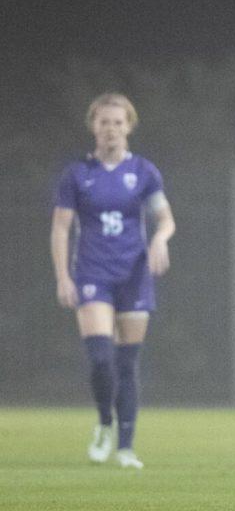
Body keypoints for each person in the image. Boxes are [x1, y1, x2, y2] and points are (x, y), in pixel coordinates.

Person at [50, 93, 176, 470]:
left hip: (133, 276)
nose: (111, 129)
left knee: (127, 364)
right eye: (104, 122)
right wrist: (62, 276)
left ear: (129, 127)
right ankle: (104, 424)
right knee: (102, 359)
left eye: (118, 122)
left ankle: (125, 447)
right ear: (93, 126)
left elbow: (166, 218)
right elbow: (60, 227)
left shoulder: (144, 172)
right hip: (92, 273)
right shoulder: (77, 174)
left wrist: (159, 238)